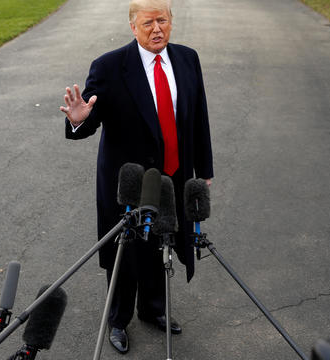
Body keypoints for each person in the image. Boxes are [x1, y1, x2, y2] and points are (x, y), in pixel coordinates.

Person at [60, 0, 213, 354]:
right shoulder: (110, 66)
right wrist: (79, 118)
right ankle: (118, 319)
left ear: (171, 22)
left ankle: (153, 310)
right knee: (125, 251)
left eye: (163, 20)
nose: (157, 29)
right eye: (148, 23)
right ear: (133, 26)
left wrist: (203, 171)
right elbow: (89, 123)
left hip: (173, 175)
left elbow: (198, 117)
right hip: (128, 181)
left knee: (165, 241)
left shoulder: (187, 58)